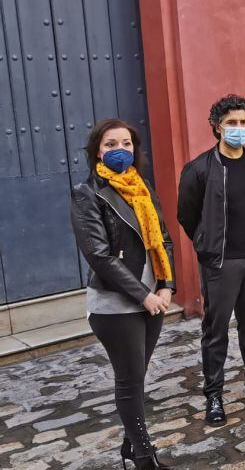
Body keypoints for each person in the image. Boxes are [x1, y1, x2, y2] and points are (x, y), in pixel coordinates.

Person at [70, 119, 175, 469]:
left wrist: (166, 285)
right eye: (111, 144)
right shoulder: (87, 193)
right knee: (129, 381)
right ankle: (145, 456)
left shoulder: (142, 187)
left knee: (137, 376)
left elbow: (164, 238)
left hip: (152, 299)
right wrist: (145, 296)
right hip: (115, 305)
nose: (120, 150)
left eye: (126, 144)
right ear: (97, 151)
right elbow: (98, 256)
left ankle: (130, 446)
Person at [177, 94, 245, 428]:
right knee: (216, 331)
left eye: (243, 122)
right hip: (221, 263)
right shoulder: (199, 169)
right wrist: (205, 245)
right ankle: (214, 394)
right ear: (217, 127)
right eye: (231, 123)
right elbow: (186, 215)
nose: (238, 128)